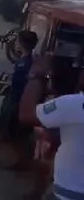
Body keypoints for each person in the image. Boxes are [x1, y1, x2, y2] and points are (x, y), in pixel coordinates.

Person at [19, 53, 84, 200]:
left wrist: (37, 74)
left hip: (67, 194)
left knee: (44, 160)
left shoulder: (75, 104)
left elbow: (26, 114)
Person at [0, 30, 38, 170]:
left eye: (17, 41)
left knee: (5, 130)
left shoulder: (25, 63)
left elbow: (21, 84)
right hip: (16, 100)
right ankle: (15, 161)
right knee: (10, 132)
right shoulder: (28, 60)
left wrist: (9, 84)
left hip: (15, 102)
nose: (15, 43)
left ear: (21, 44)